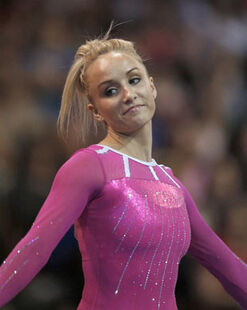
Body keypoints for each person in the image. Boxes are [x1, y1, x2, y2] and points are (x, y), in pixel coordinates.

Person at [0, 31, 247, 310]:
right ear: (95, 111)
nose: (128, 94)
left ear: (152, 87)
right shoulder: (88, 166)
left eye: (134, 79)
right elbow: (33, 250)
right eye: (111, 90)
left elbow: (230, 269)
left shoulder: (173, 185)